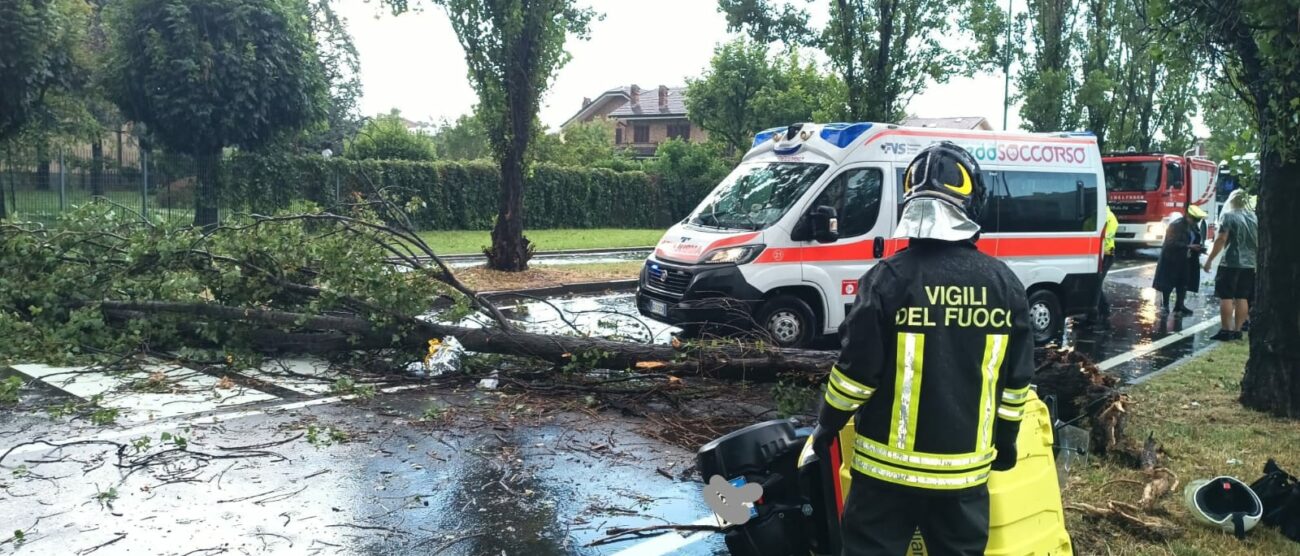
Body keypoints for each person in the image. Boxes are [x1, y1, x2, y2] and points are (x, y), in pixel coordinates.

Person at [800, 142, 1033, 556]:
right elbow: (1015, 385)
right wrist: (1008, 441)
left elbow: (854, 377)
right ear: (971, 203)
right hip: (964, 477)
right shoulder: (1005, 285)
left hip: (884, 479)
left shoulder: (886, 279)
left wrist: (826, 426)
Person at [1203, 189, 1257, 341]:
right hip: (1249, 263)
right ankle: (1238, 330)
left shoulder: (1228, 216)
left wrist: (1210, 260)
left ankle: (1226, 330)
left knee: (1226, 296)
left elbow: (1221, 239)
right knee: (1242, 296)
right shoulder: (1253, 217)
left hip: (1231, 262)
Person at [1151, 205, 1207, 315]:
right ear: (1188, 216)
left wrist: (1199, 249)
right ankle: (1165, 305)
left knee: (1183, 283)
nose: (1195, 222)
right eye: (1194, 219)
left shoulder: (1194, 227)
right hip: (1171, 259)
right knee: (1167, 284)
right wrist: (1188, 246)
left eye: (1197, 220)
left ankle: (1179, 306)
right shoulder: (1175, 226)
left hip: (1187, 260)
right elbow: (1170, 243)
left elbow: (1194, 239)